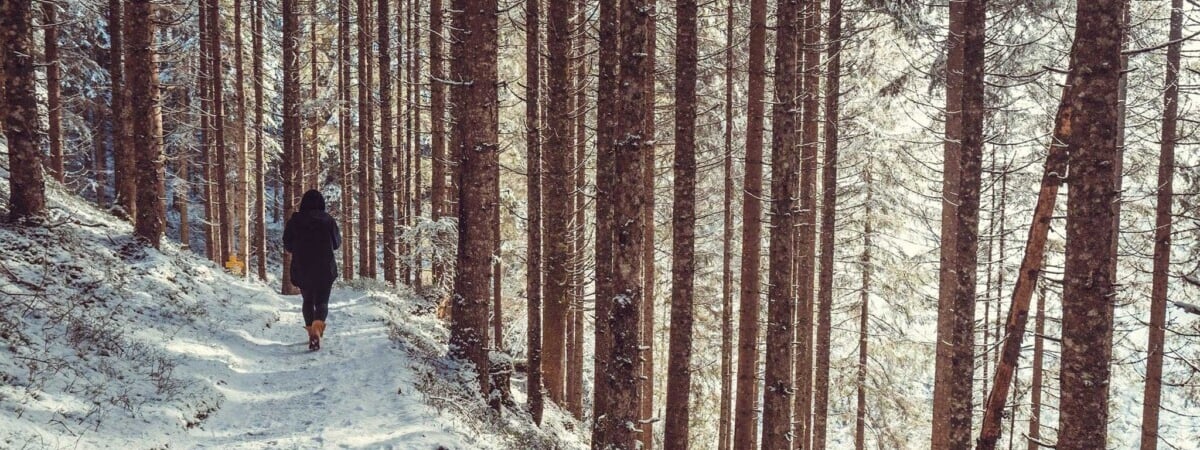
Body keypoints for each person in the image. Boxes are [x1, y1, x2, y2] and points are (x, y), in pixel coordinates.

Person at [283, 189, 341, 351]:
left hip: (302, 268)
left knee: (308, 301)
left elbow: (288, 244)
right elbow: (337, 243)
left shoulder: (295, 221)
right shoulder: (328, 220)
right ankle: (317, 327)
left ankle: (311, 330)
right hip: (325, 268)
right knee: (322, 301)